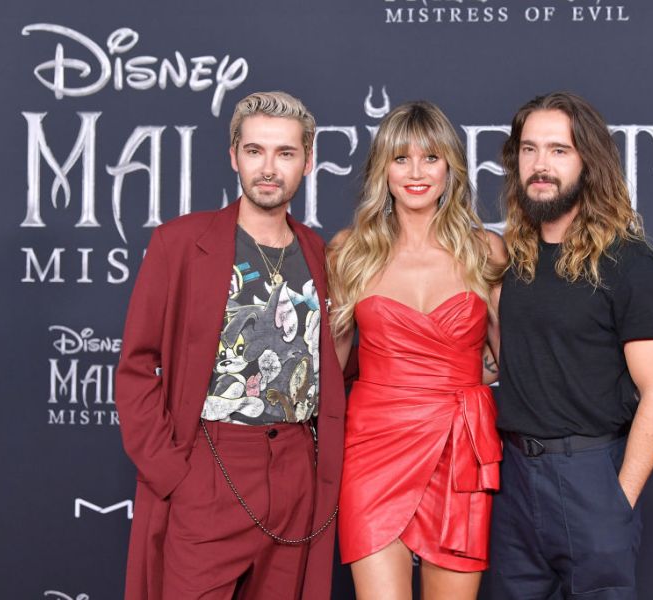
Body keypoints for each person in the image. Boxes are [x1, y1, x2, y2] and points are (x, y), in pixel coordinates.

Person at [115, 91, 345, 600]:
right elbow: (136, 365)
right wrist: (174, 473)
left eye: (285, 153)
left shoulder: (320, 254)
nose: (269, 168)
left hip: (295, 472)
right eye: (255, 151)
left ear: (307, 161)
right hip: (210, 465)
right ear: (234, 156)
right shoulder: (180, 243)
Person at [489, 91, 653, 599]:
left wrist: (619, 500)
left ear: (588, 162)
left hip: (591, 477)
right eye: (529, 150)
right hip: (512, 482)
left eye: (558, 150)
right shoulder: (515, 258)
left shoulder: (629, 262)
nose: (540, 165)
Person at [327, 100, 507, 600]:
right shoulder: (350, 251)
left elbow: (513, 359)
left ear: (451, 167)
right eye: (400, 158)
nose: (416, 172)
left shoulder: (484, 249)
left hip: (458, 450)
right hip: (372, 450)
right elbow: (331, 366)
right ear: (382, 170)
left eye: (430, 157)